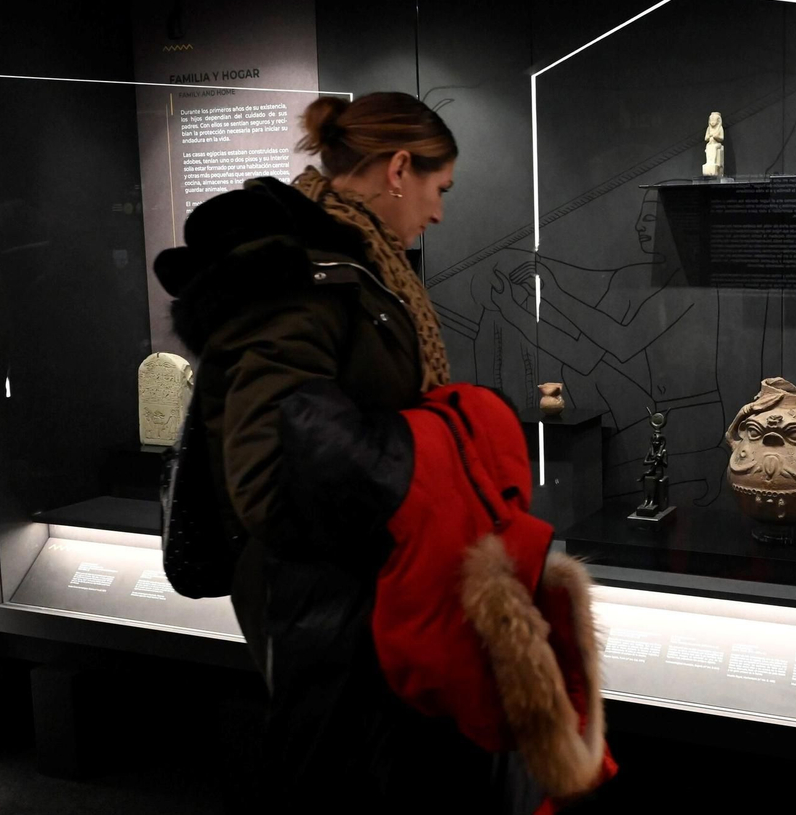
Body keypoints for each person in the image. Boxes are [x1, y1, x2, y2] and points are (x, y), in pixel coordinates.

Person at [154, 92, 547, 811]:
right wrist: (422, 459)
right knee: (342, 781)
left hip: (357, 588)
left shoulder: (355, 270)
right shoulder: (302, 278)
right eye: (439, 189)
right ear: (399, 169)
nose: (438, 213)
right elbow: (265, 477)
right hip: (325, 600)